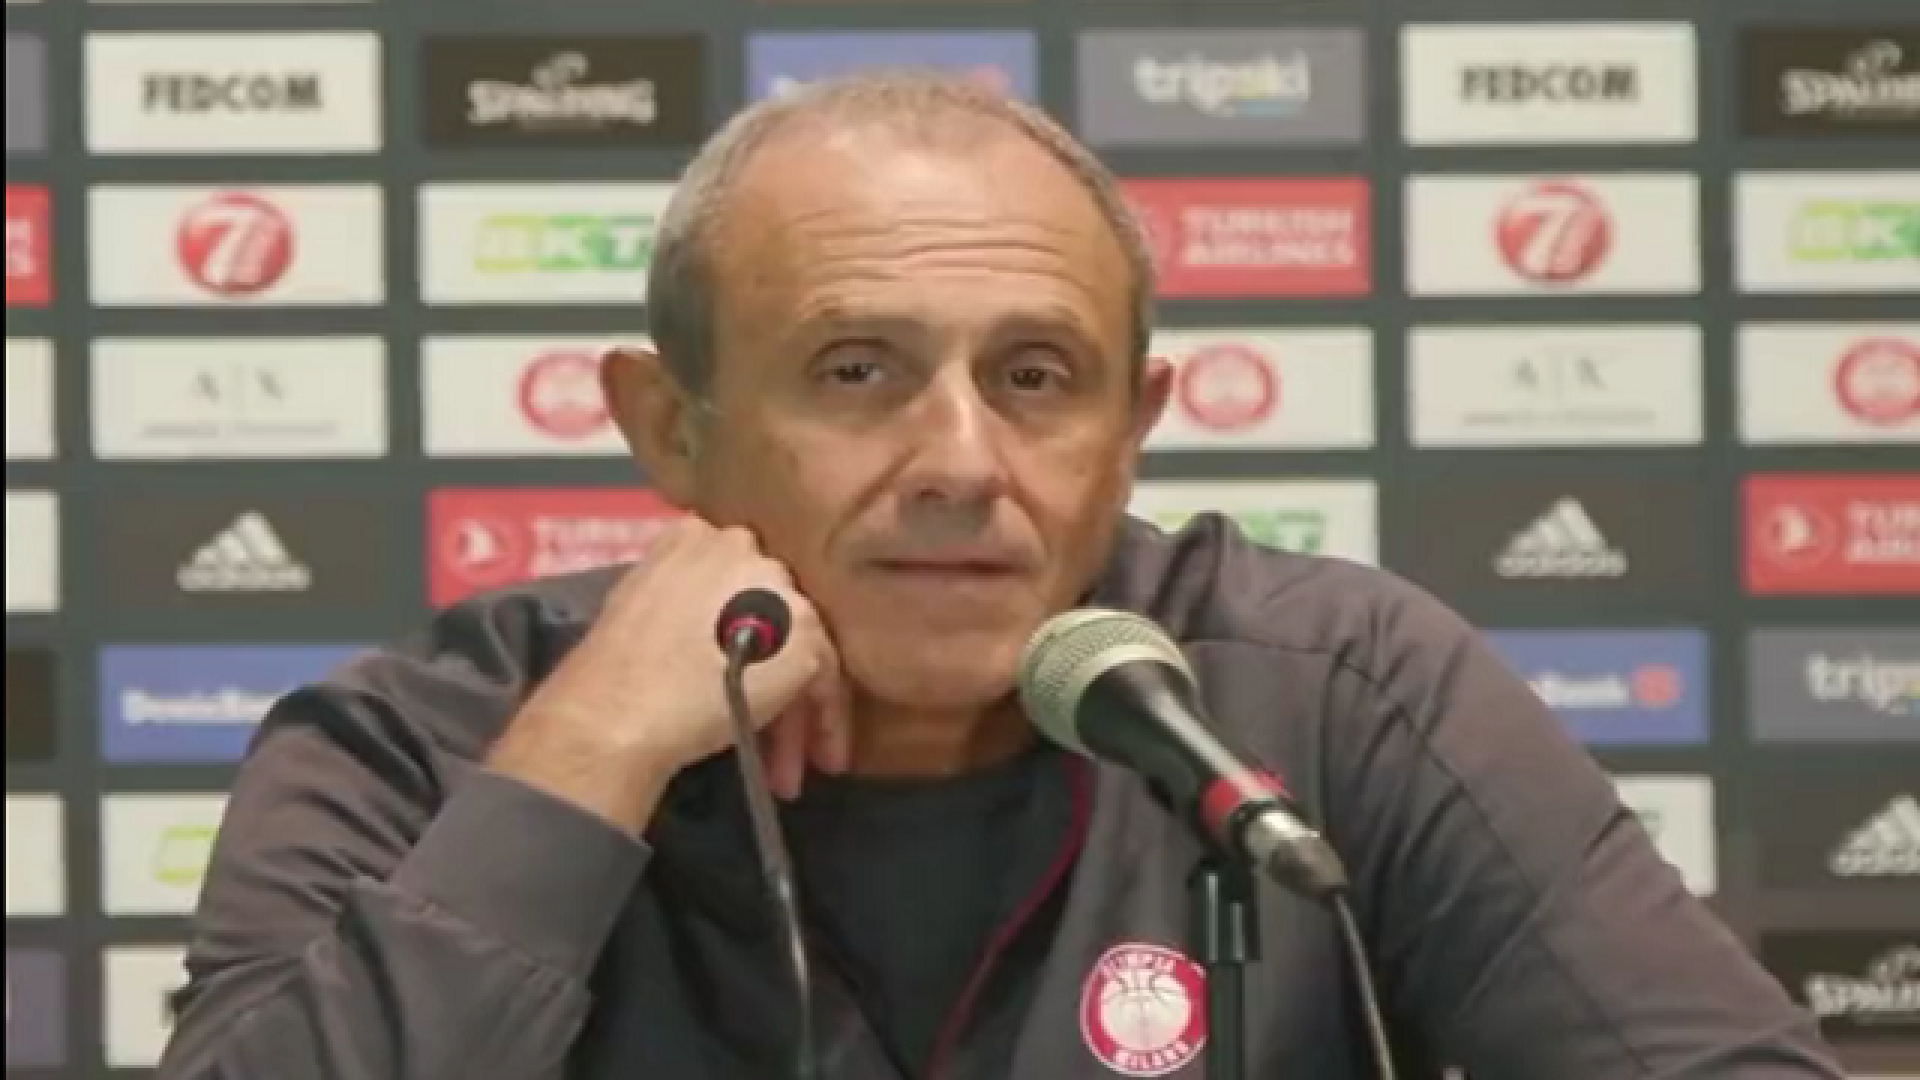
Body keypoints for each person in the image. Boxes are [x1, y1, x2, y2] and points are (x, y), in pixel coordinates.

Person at [156, 70, 1844, 1080]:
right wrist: (586, 758)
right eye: (858, 370)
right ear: (671, 429)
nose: (963, 459)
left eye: (1036, 376)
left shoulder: (1327, 697)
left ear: (1134, 429)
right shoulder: (424, 743)